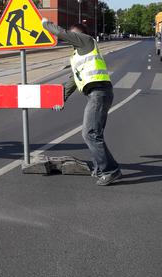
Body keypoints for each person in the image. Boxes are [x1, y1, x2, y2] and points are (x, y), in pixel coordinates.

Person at [42, 18, 122, 185]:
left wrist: (45, 24)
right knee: (94, 134)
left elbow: (61, 33)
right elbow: (73, 79)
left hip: (99, 92)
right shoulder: (78, 54)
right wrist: (60, 98)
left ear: (79, 35)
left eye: (73, 35)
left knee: (90, 134)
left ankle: (110, 170)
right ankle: (104, 168)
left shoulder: (87, 41)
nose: (70, 38)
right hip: (97, 93)